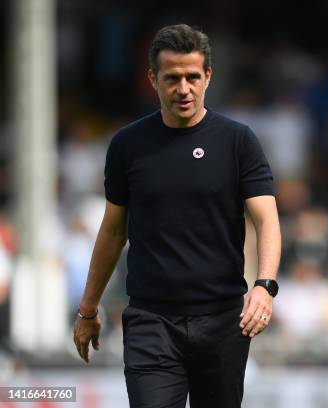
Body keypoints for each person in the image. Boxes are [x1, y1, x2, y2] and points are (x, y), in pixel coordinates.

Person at [73, 24, 281, 408]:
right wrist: (88, 308)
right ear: (152, 79)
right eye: (172, 78)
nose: (183, 89)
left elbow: (266, 219)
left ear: (208, 77)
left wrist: (264, 286)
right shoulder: (127, 145)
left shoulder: (238, 141)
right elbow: (113, 231)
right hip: (151, 322)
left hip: (222, 321)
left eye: (192, 77)